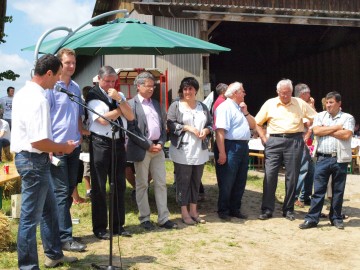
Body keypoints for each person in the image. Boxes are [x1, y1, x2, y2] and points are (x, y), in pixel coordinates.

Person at [11, 54, 78, 269]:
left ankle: (54, 254)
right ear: (48, 73)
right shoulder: (39, 98)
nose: (59, 80)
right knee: (30, 219)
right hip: (33, 160)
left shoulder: (24, 92)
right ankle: (28, 266)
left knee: (49, 211)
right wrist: (62, 147)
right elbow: (38, 141)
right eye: (57, 75)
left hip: (32, 159)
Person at [255, 79, 317, 221]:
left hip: (294, 140)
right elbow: (257, 122)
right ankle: (267, 209)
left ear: (291, 91)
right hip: (274, 140)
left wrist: (307, 134)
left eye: (288, 93)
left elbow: (315, 117)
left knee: (292, 176)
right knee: (270, 175)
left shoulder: (299, 103)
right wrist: (264, 139)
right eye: (282, 93)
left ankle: (288, 209)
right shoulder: (270, 103)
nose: (285, 96)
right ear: (277, 92)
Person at [45, 48, 86, 252]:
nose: (71, 66)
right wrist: (50, 147)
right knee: (60, 192)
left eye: (73, 62)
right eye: (67, 62)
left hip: (74, 147)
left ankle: (61, 231)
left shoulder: (76, 87)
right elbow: (46, 119)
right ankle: (64, 237)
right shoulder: (52, 87)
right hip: (57, 148)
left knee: (69, 189)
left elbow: (77, 115)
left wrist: (82, 133)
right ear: (59, 64)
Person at [86, 66, 134, 239]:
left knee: (118, 184)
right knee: (99, 186)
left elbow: (130, 116)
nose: (110, 84)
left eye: (113, 81)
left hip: (118, 143)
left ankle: (118, 225)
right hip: (100, 143)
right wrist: (120, 109)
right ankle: (99, 228)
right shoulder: (93, 95)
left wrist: (119, 103)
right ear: (99, 79)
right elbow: (102, 119)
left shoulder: (118, 95)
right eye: (107, 81)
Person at [127, 71, 177, 230]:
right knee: (142, 184)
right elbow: (131, 130)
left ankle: (163, 218)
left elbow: (163, 126)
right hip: (143, 149)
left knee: (161, 183)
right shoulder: (130, 104)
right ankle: (145, 218)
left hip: (158, 148)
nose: (151, 89)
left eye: (153, 86)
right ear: (138, 86)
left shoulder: (156, 103)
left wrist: (161, 143)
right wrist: (148, 144)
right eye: (148, 86)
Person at [299, 91, 355, 230]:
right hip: (323, 157)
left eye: (331, 102)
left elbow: (346, 134)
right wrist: (336, 127)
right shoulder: (319, 116)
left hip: (339, 158)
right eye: (327, 103)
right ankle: (312, 218)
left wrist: (326, 129)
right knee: (318, 190)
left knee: (338, 190)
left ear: (339, 103)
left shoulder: (348, 118)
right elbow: (316, 131)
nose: (328, 105)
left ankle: (335, 217)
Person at [167, 77, 212, 225]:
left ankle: (194, 210)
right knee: (183, 181)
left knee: (196, 181)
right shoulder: (176, 106)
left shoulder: (202, 107)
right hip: (182, 150)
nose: (188, 92)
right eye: (185, 89)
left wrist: (206, 130)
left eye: (191, 89)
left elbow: (211, 124)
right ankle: (184, 211)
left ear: (196, 90)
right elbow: (170, 124)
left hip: (199, 150)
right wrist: (186, 127)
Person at [214, 82, 256, 220]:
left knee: (240, 179)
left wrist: (246, 112)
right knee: (227, 179)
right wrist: (222, 152)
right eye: (242, 91)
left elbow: (253, 125)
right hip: (230, 145)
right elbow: (220, 131)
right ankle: (224, 210)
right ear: (234, 93)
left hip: (242, 146)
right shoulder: (225, 107)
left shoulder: (239, 108)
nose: (244, 93)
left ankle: (235, 208)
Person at [294, 83, 315, 207]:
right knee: (302, 168)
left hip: (309, 141)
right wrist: (311, 106)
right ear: (303, 94)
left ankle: (306, 196)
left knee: (310, 170)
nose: (310, 95)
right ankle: (295, 196)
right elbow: (310, 123)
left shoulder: (305, 106)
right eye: (308, 93)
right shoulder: (298, 105)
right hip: (302, 139)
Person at [73, 85, 92, 203]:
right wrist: (89, 133)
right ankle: (81, 194)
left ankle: (78, 195)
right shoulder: (81, 106)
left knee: (85, 167)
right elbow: (78, 125)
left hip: (86, 141)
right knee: (83, 167)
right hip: (82, 142)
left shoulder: (90, 107)